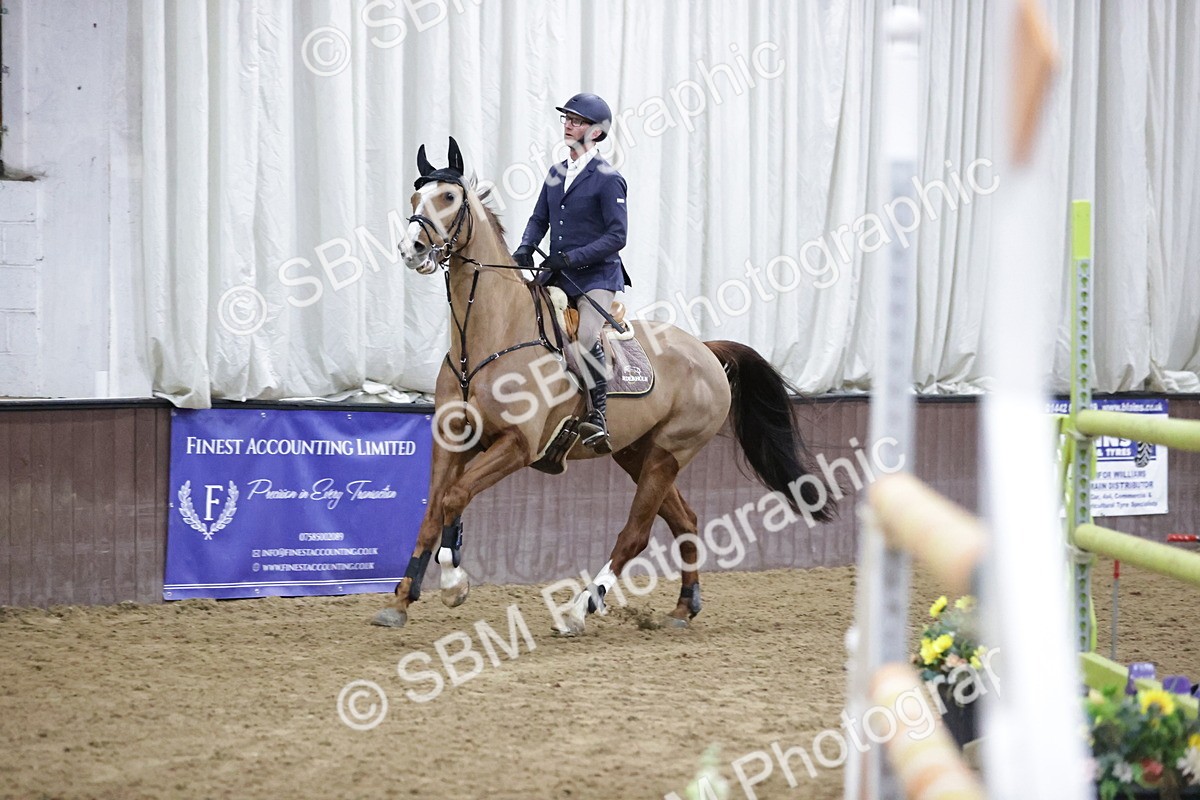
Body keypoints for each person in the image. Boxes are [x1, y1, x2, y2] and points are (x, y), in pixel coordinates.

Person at [513, 93, 631, 454]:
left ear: (595, 133)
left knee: (585, 337)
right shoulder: (556, 173)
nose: (568, 124)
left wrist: (570, 258)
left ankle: (597, 416)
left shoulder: (609, 179)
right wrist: (524, 249)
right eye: (566, 118)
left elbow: (617, 237)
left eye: (576, 121)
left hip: (596, 277)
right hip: (559, 274)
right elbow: (539, 220)